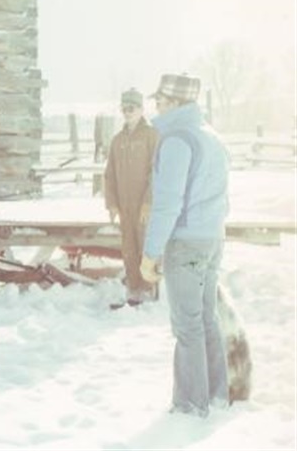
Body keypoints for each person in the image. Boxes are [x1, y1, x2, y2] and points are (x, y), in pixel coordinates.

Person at [139, 73, 230, 417]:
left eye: (160, 100)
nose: (156, 106)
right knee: (206, 319)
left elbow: (167, 203)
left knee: (188, 324)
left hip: (187, 242)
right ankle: (217, 394)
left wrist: (150, 254)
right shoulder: (211, 136)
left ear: (175, 103)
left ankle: (191, 404)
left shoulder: (177, 139)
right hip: (211, 238)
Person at [103, 87, 160, 308]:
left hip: (144, 204)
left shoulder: (151, 135)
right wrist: (112, 204)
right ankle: (133, 288)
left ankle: (149, 288)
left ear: (141, 109)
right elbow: (109, 174)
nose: (127, 112)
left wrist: (149, 201)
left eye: (132, 108)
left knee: (146, 244)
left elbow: (157, 171)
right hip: (124, 204)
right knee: (128, 246)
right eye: (124, 108)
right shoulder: (117, 140)